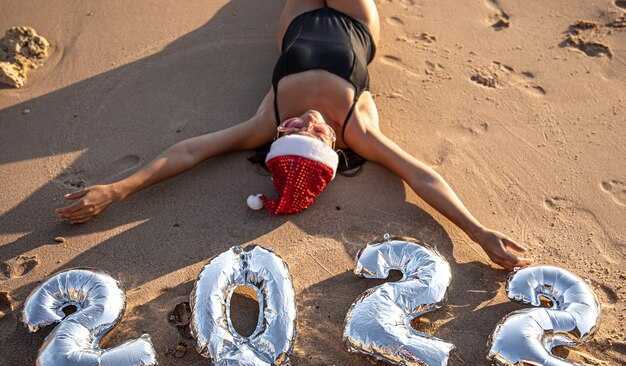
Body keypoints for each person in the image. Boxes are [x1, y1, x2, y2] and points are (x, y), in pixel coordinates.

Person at [55, 0, 531, 269]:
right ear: (331, 146)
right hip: (356, 20)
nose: (304, 120)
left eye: (291, 130)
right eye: (313, 131)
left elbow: (192, 150)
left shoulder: (268, 121)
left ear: (279, 133)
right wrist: (478, 232)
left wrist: (118, 189)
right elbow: (421, 176)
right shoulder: (358, 129)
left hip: (298, 18)